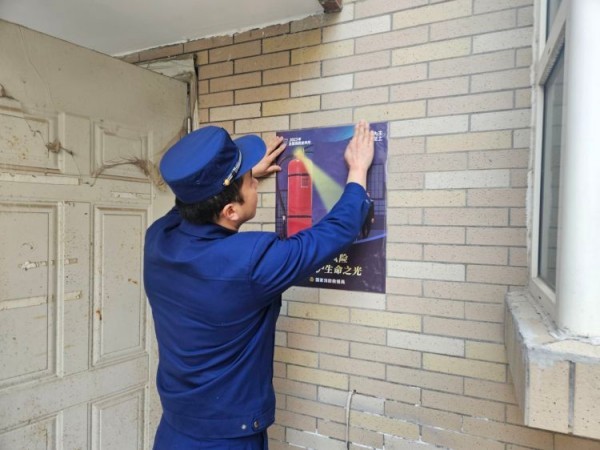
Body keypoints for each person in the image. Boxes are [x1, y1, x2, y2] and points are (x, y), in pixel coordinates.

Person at [144, 121, 374, 449]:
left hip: (173, 432)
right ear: (230, 210)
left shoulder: (158, 238)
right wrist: (358, 170)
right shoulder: (250, 262)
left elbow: (189, 204)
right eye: (250, 181)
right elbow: (334, 232)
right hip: (229, 440)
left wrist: (234, 176)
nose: (254, 181)